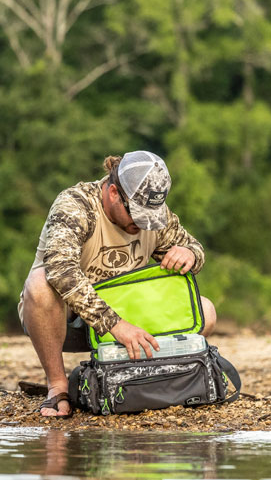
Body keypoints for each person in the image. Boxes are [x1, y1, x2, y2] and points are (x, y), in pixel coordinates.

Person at [19, 151, 217, 418]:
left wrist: (190, 255)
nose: (142, 223)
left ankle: (143, 375)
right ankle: (58, 387)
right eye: (136, 214)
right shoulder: (75, 205)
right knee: (39, 283)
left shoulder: (155, 211)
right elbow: (60, 270)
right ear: (113, 193)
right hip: (69, 322)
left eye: (150, 216)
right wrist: (115, 325)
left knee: (207, 311)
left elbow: (194, 246)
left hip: (132, 319)